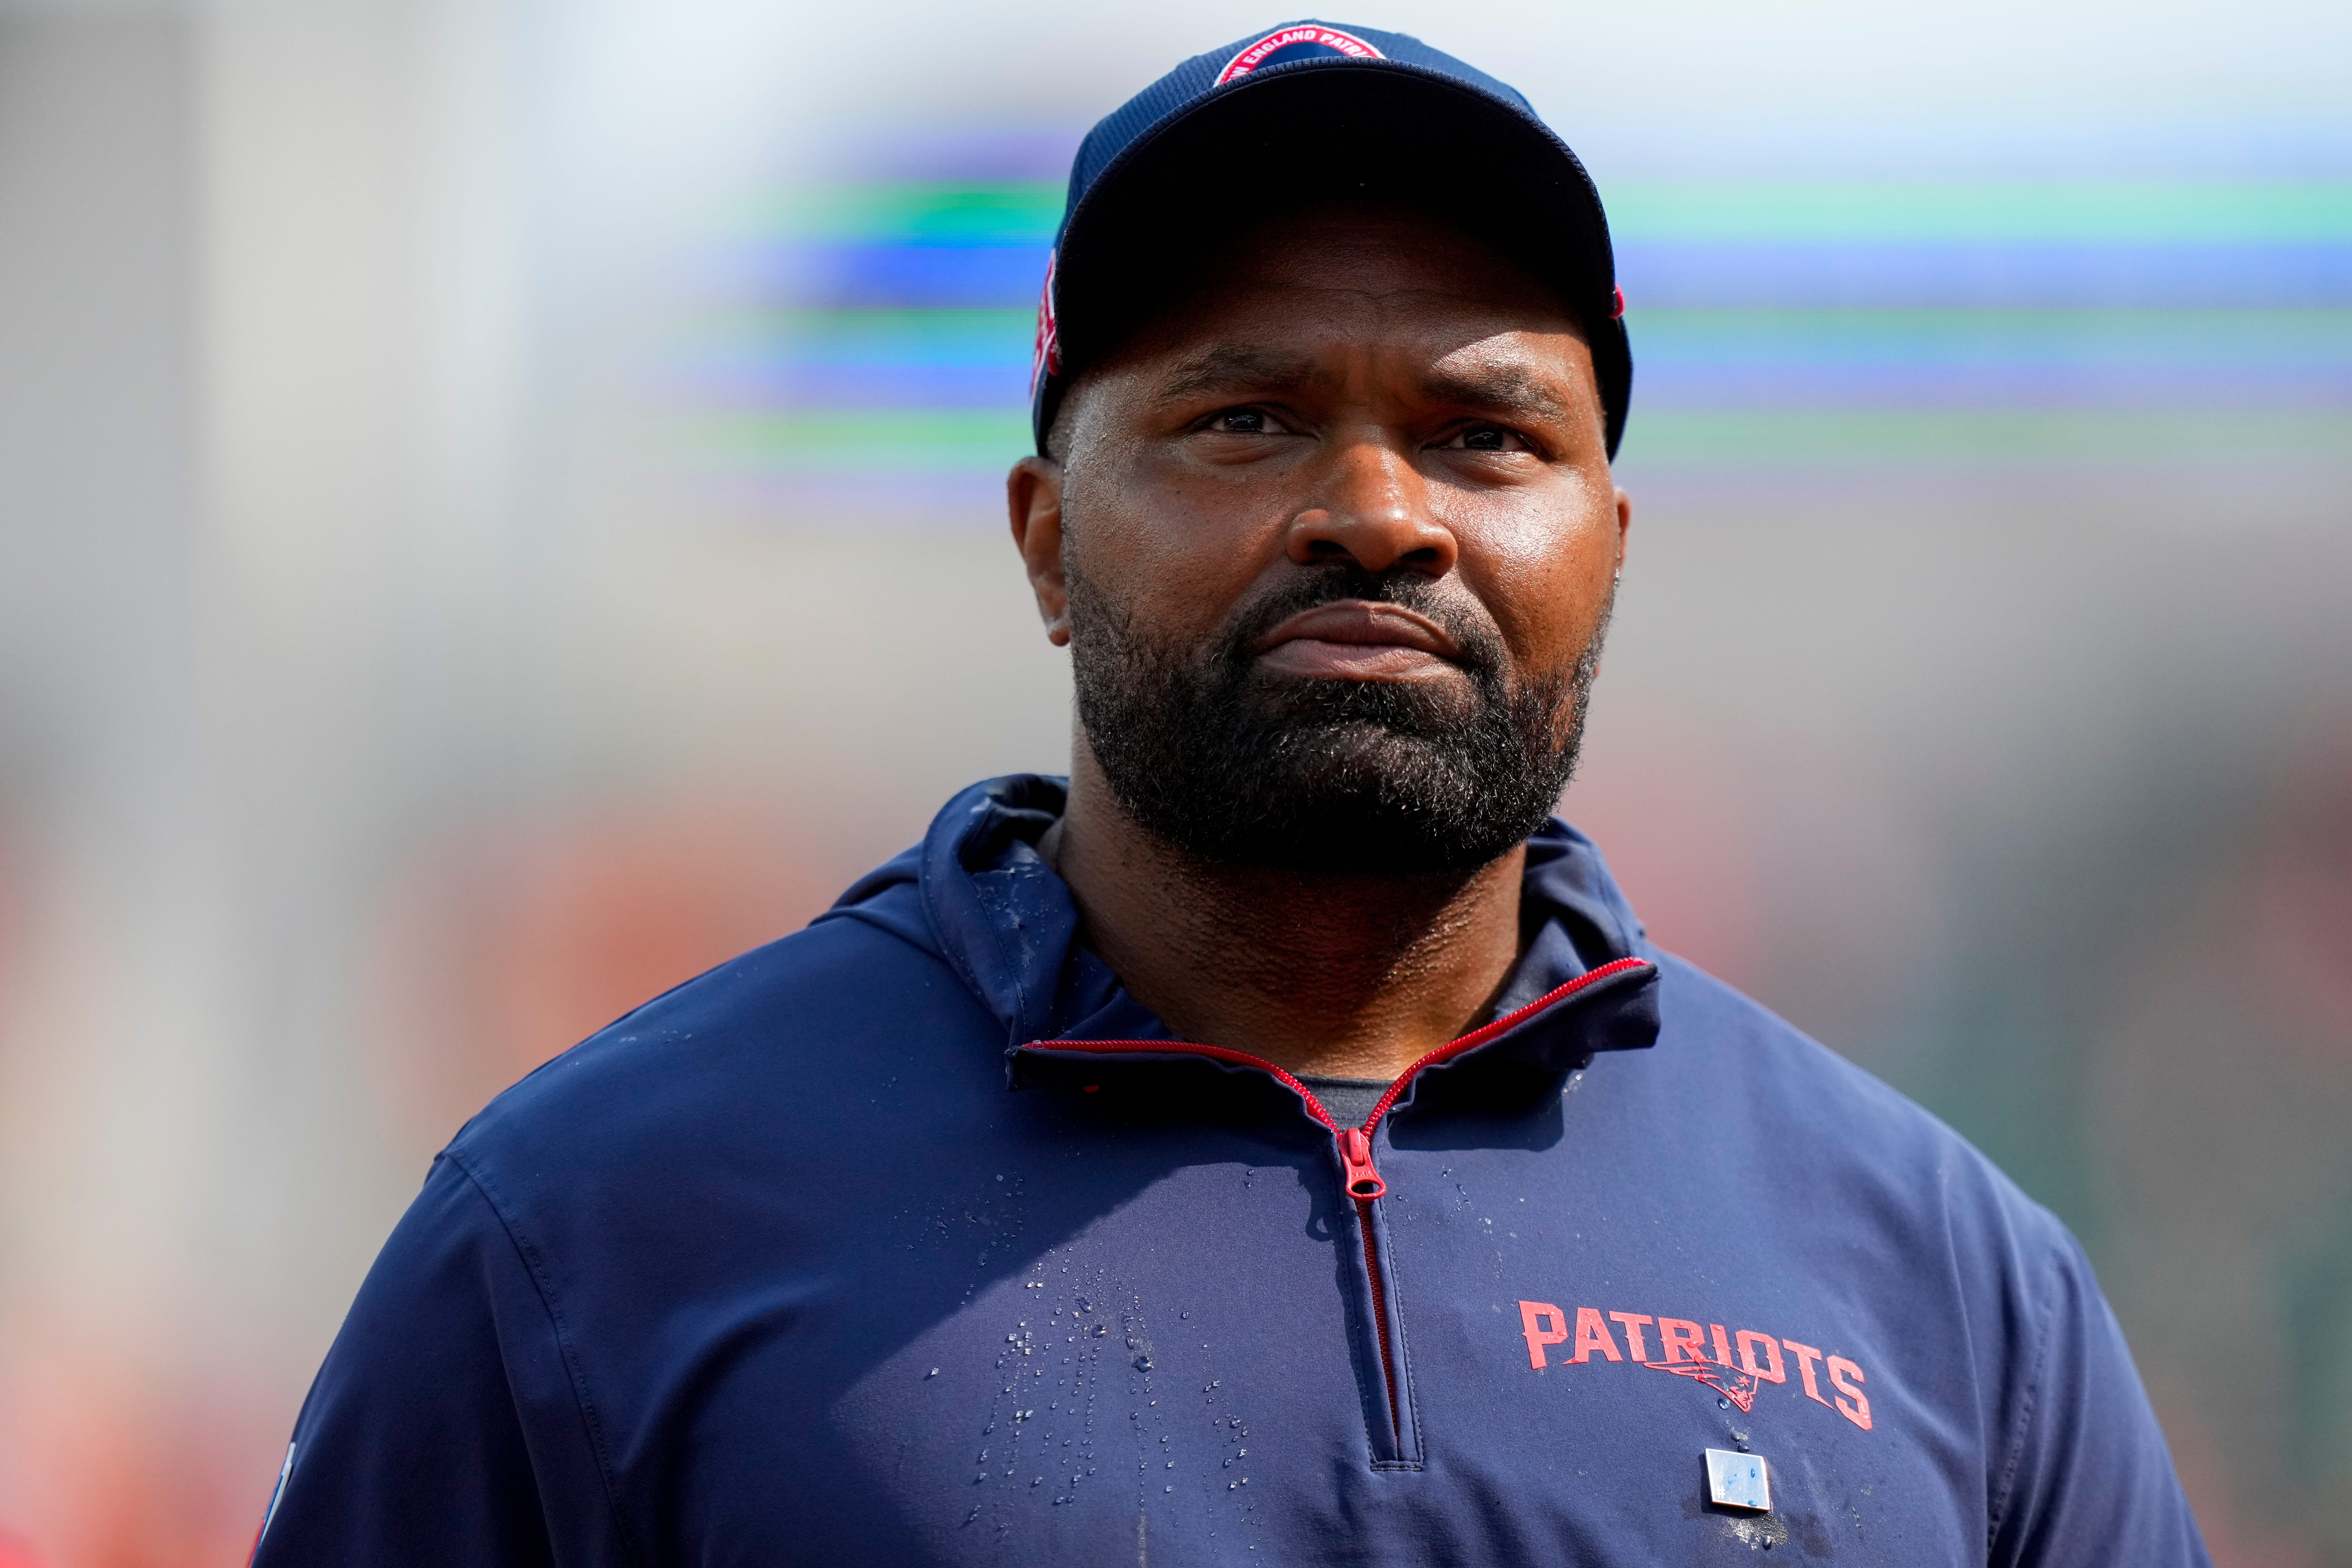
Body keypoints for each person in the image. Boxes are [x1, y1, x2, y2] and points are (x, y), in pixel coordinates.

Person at [251, 21, 2211, 1566]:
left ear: (1610, 538)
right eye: (1246, 418)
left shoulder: (1939, 1277)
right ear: (1043, 542)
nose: (1376, 512)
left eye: (1482, 431)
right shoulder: (599, 1233)